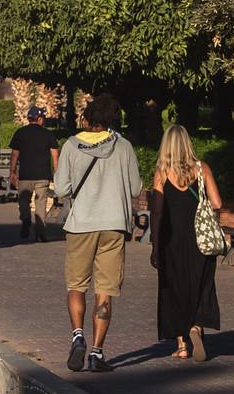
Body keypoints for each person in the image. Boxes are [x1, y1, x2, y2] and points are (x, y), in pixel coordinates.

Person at [54, 91, 143, 375]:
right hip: (114, 224)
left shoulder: (71, 145)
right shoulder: (123, 146)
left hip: (81, 224)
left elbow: (61, 189)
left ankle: (77, 336)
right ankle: (96, 352)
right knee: (105, 290)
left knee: (76, 285)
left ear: (87, 118)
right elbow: (135, 188)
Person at [149, 124, 222, 361]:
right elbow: (217, 203)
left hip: (171, 240)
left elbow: (157, 212)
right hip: (200, 239)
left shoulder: (162, 172)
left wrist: (155, 245)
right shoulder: (202, 168)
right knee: (201, 285)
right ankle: (196, 326)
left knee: (174, 289)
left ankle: (182, 346)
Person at [9, 108, 58, 242]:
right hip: (43, 174)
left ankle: (26, 218)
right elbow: (55, 154)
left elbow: (15, 154)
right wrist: (56, 171)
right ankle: (40, 232)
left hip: (25, 174)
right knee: (41, 202)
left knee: (24, 200)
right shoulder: (47, 134)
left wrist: (12, 171)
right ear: (40, 119)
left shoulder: (20, 133)